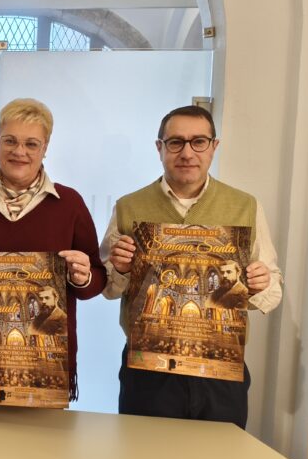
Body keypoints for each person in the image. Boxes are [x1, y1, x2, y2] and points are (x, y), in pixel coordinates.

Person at [100, 104, 282, 428]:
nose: (187, 152)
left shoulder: (245, 206)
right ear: (160, 148)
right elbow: (109, 288)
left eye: (199, 141)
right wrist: (122, 270)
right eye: (176, 142)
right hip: (148, 372)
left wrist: (258, 283)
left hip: (221, 371)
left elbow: (272, 289)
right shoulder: (129, 207)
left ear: (214, 147)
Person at [0, 98, 106, 400]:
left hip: (44, 360)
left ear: (45, 148)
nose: (19, 151)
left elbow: (97, 280)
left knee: (42, 447)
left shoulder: (70, 204)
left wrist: (83, 277)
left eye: (31, 143)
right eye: (10, 141)